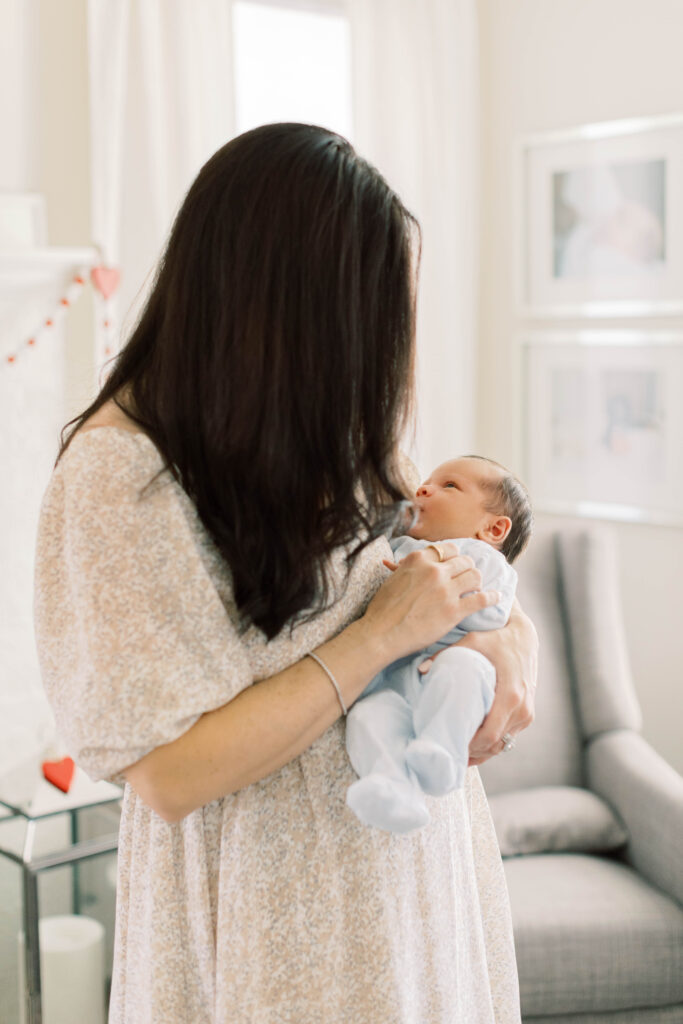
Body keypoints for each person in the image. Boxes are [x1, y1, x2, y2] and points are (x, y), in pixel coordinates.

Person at [34, 124, 538, 1023]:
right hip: (274, 917)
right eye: (369, 318)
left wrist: (509, 645)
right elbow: (169, 773)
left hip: (416, 890)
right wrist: (383, 639)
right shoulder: (118, 476)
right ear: (286, 309)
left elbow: (433, 569)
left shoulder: (327, 437)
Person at [346, 456, 533, 834]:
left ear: (494, 528)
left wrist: (429, 561)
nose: (423, 489)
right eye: (427, 482)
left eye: (450, 486)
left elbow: (486, 614)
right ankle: (394, 788)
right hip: (398, 683)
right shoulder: (401, 545)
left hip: (451, 667)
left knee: (461, 670)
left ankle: (441, 751)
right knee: (369, 716)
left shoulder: (487, 562)